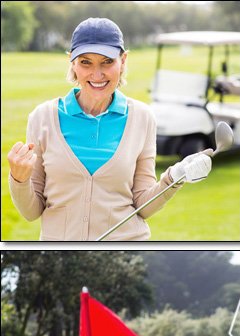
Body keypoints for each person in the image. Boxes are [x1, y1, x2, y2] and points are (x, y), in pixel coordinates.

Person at [7, 17, 212, 241]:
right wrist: (19, 179)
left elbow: (142, 206)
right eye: (86, 62)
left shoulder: (142, 118)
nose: (97, 74)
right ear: (72, 62)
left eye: (107, 61)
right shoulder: (42, 117)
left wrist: (175, 176)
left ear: (122, 61)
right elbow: (31, 212)